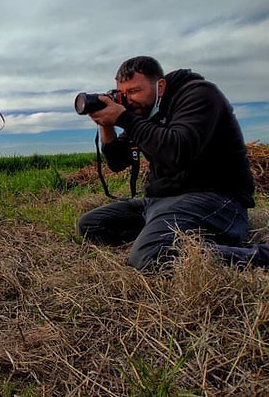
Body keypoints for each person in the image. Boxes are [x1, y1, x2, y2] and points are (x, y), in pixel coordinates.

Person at [77, 55, 269, 271]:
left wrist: (125, 119)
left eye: (134, 91)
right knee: (92, 225)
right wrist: (106, 124)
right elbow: (117, 162)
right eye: (123, 93)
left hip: (216, 197)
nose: (128, 99)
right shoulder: (146, 112)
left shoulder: (199, 95)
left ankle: (261, 256)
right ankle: (170, 233)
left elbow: (178, 150)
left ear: (160, 85)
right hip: (162, 201)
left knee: (149, 255)